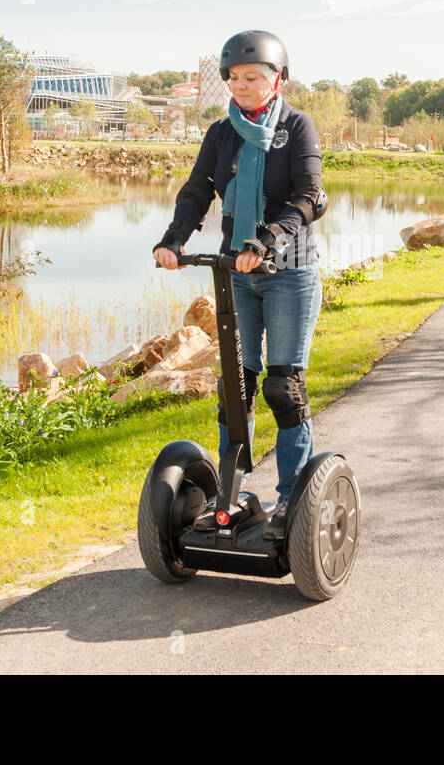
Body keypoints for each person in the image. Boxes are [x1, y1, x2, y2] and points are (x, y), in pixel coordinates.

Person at [152, 30, 326, 537]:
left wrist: (266, 240)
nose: (240, 86)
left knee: (281, 385)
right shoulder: (220, 133)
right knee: (237, 387)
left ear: (278, 78)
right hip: (236, 275)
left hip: (287, 272)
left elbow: (311, 197)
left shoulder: (297, 128)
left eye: (251, 77)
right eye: (232, 78)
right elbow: (197, 191)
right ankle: (231, 494)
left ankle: (294, 498)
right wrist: (173, 240)